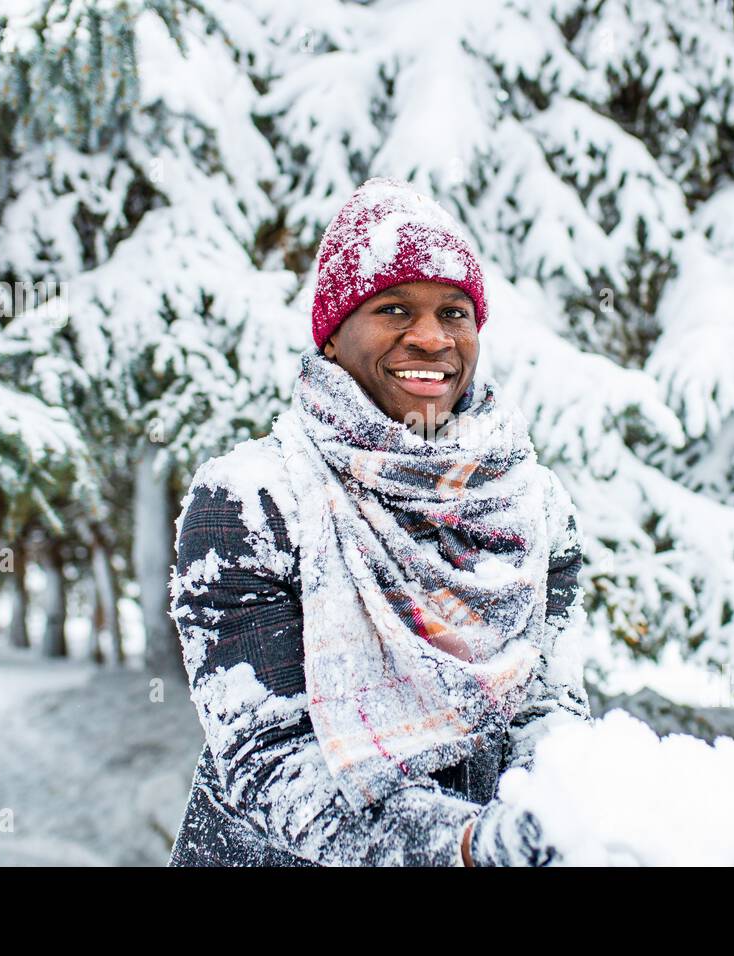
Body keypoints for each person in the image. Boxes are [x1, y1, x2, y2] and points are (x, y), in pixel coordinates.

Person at [165, 177, 592, 867]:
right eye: (393, 308)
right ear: (333, 337)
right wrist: (462, 847)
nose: (430, 338)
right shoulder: (251, 502)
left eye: (455, 313)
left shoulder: (533, 506)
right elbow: (270, 762)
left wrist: (567, 816)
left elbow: (546, 704)